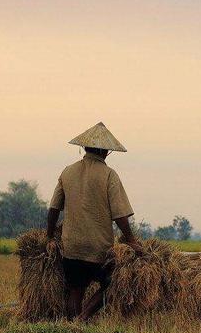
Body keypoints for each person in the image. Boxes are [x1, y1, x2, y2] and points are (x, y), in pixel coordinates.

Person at [46, 122, 142, 321]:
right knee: (113, 284)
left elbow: (54, 208)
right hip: (99, 248)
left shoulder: (68, 172)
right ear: (106, 152)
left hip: (72, 245)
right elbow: (120, 215)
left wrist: (48, 237)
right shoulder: (109, 175)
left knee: (76, 289)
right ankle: (84, 317)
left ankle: (74, 324)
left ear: (84, 148)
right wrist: (131, 239)